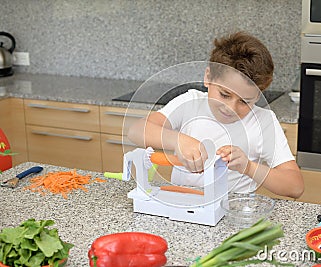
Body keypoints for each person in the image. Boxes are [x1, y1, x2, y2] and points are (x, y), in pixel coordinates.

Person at [128, 31, 304, 198]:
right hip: (180, 205)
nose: (230, 108)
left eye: (244, 101)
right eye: (224, 95)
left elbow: (295, 187)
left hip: (230, 213)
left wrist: (249, 167)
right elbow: (136, 131)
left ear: (258, 95)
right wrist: (179, 140)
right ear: (208, 77)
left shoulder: (264, 122)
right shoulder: (190, 103)